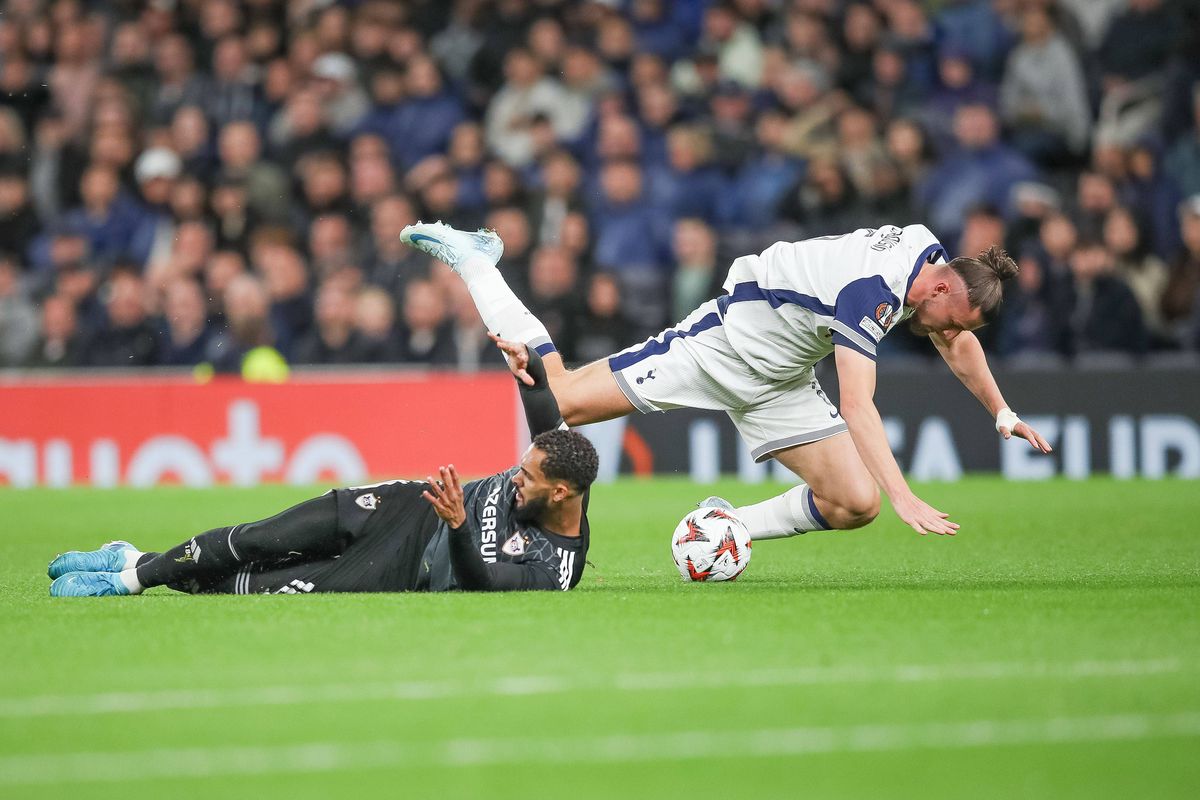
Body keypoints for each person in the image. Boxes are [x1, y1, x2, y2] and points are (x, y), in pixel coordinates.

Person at [401, 221, 1051, 540]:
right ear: (939, 286)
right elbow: (858, 405)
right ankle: (477, 263)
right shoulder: (873, 292)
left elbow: (955, 339)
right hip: (724, 345)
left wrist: (999, 410)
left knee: (856, 504)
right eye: (949, 315)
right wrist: (907, 493)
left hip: (783, 378)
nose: (943, 329)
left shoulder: (931, 262)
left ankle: (720, 529)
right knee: (559, 399)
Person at [47, 342, 597, 597]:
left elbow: (483, 583)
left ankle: (132, 558)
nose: (515, 479)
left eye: (527, 479)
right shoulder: (559, 467)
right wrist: (534, 378)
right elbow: (550, 427)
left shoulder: (555, 571)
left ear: (561, 493)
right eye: (520, 470)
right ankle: (129, 579)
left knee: (248, 588)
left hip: (398, 572)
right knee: (259, 539)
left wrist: (459, 526)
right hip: (405, 506)